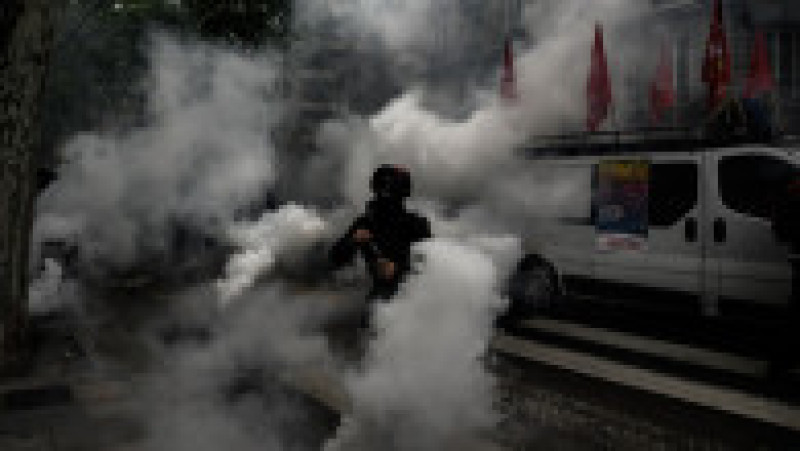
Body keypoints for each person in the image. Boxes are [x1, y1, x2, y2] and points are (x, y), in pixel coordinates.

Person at [329, 164, 432, 303]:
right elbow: (335, 259)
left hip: (414, 298)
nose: (383, 199)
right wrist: (353, 241)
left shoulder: (416, 224)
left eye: (390, 193)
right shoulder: (366, 223)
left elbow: (429, 265)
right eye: (381, 192)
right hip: (381, 297)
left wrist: (399, 268)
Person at [769, 175, 800, 377]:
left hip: (797, 257)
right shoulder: (794, 193)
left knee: (795, 314)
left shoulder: (793, 190)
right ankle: (781, 363)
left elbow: (780, 230)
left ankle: (782, 362)